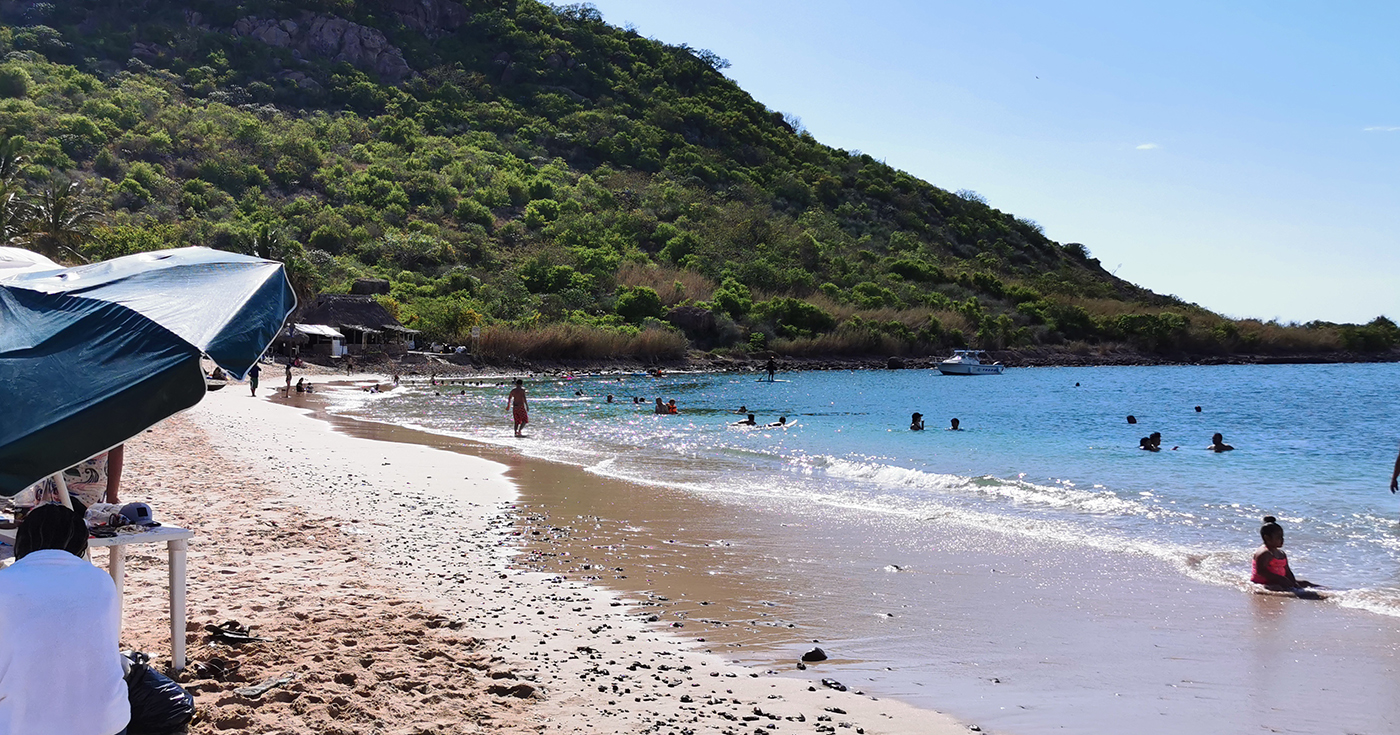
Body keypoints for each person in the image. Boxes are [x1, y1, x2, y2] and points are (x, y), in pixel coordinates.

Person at [0, 505, 130, 735]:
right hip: (106, 724)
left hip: (22, 727)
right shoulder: (100, 581)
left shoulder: (5, 583)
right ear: (80, 544)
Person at [21, 446, 124, 508]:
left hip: (87, 488)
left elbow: (117, 447)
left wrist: (112, 496)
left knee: (80, 530)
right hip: (49, 481)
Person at [1251, 516, 1315, 591]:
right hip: (1265, 582)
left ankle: (1328, 591)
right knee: (1279, 587)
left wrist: (1293, 582)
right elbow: (1261, 571)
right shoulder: (1264, 553)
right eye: (1278, 537)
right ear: (1267, 538)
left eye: (1282, 537)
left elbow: (1287, 570)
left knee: (1305, 583)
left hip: (1280, 580)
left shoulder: (1281, 553)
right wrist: (1280, 579)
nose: (1282, 540)